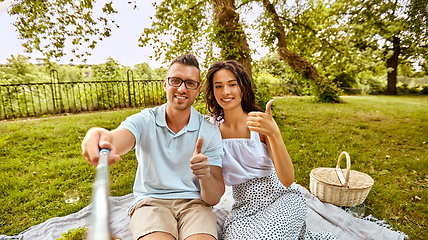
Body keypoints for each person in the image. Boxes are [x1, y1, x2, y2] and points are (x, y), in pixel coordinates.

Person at [81, 54, 225, 240]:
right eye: (175, 81)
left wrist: (205, 176)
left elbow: (213, 199)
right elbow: (116, 139)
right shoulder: (145, 120)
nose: (182, 88)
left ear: (197, 90)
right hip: (150, 204)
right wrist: (100, 135)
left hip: (195, 205)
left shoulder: (210, 132)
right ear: (165, 84)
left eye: (190, 83)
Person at [203, 60, 337, 240]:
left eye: (232, 84)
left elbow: (288, 180)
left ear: (242, 87)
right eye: (218, 86)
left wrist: (274, 134)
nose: (225, 92)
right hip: (243, 209)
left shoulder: (260, 124)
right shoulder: (211, 128)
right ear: (212, 91)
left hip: (281, 198)